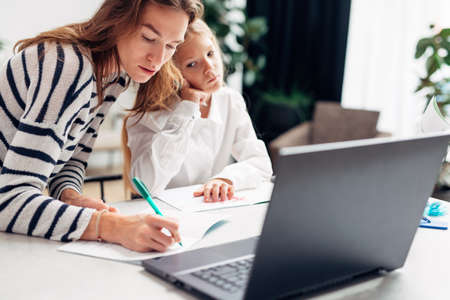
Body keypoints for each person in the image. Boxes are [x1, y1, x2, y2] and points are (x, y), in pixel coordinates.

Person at [0, 0, 204, 253]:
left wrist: (69, 195)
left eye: (172, 46)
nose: (159, 59)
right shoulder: (68, 67)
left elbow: (71, 159)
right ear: (117, 20)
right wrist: (112, 226)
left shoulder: (113, 75)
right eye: (149, 37)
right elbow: (9, 199)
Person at [123, 19, 273, 203]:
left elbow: (260, 163)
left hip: (214, 209)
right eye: (192, 64)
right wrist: (187, 107)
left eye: (210, 53)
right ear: (172, 73)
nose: (210, 68)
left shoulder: (229, 100)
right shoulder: (149, 116)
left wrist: (225, 179)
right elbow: (146, 185)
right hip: (169, 213)